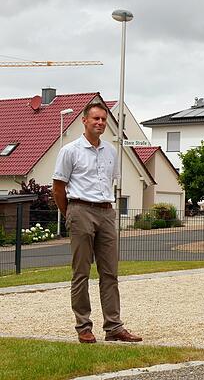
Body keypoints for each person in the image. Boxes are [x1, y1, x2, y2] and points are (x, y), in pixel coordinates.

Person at [52, 102, 142, 344]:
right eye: (96, 119)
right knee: (81, 272)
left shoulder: (111, 152)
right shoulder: (70, 151)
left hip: (106, 212)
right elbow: (58, 188)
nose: (100, 123)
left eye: (103, 119)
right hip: (80, 209)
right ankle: (83, 326)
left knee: (110, 272)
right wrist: (70, 213)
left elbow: (109, 183)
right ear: (84, 120)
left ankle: (114, 326)